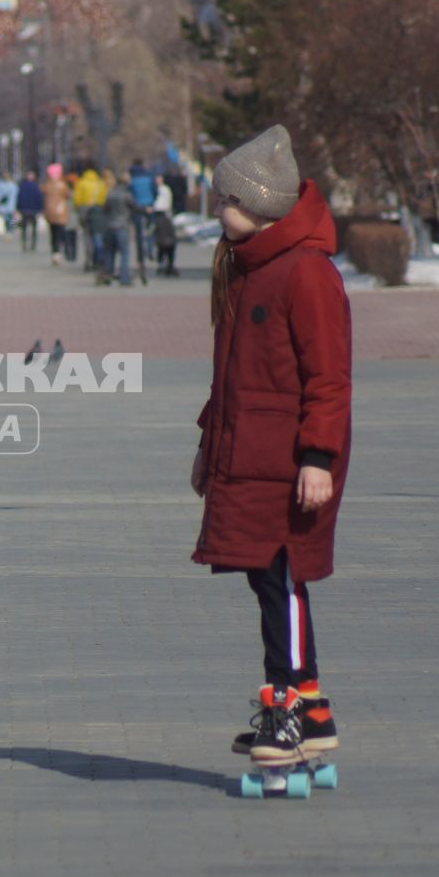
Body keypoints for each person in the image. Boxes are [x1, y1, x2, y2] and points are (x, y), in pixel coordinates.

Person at [190, 125, 350, 762]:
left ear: (257, 205)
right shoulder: (248, 269)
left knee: (282, 580)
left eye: (225, 200)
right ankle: (309, 708)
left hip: (288, 460)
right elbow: (232, 376)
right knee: (268, 579)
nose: (217, 211)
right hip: (247, 455)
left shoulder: (305, 274)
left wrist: (318, 458)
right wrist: (210, 446)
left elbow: (330, 378)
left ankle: (286, 706)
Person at [101, 173, 136, 286]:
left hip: (109, 226)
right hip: (122, 226)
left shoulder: (110, 194)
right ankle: (124, 278)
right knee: (124, 253)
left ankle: (108, 275)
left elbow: (105, 209)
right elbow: (134, 207)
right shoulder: (127, 194)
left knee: (109, 252)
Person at [40, 169, 70, 266]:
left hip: (50, 212)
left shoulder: (47, 185)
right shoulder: (63, 185)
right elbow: (68, 195)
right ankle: (60, 251)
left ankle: (55, 252)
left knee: (53, 234)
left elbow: (42, 193)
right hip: (61, 211)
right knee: (60, 233)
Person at [15, 171, 43, 252]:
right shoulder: (36, 186)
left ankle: (25, 244)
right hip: (32, 210)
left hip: (25, 209)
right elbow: (39, 198)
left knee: (24, 228)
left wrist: (18, 207)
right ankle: (32, 245)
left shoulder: (22, 186)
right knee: (33, 228)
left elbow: (19, 197)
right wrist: (40, 208)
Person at [152, 210, 179, 276]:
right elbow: (173, 232)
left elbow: (154, 232)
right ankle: (170, 266)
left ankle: (161, 266)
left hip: (162, 242)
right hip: (171, 242)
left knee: (161, 254)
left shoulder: (157, 222)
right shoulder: (169, 221)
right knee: (170, 255)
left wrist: (156, 240)